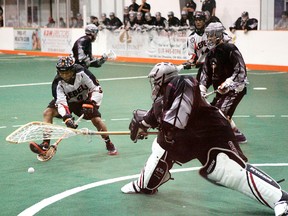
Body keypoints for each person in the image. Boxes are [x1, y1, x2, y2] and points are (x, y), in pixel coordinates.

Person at [120, 62, 288, 216]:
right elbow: (149, 119)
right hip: (193, 136)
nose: (154, 85)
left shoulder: (181, 82)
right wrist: (141, 125)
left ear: (163, 80)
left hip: (213, 132)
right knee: (161, 146)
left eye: (155, 81)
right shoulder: (163, 101)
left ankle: (282, 199)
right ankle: (145, 184)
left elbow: (175, 122)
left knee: (228, 172)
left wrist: (160, 127)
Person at [29, 56, 118, 156]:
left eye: (67, 72)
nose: (64, 75)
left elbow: (97, 88)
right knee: (47, 112)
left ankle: (108, 143)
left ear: (73, 70)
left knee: (96, 120)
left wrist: (91, 102)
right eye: (62, 73)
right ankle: (45, 144)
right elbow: (61, 102)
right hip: (68, 102)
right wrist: (66, 117)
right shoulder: (57, 82)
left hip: (85, 101)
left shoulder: (82, 73)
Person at [199, 22, 248, 144]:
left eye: (212, 35)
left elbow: (240, 70)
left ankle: (225, 138)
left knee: (218, 115)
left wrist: (228, 82)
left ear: (219, 35)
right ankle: (236, 134)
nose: (209, 38)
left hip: (235, 90)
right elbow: (206, 74)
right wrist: (202, 88)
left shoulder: (230, 49)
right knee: (212, 112)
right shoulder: (211, 53)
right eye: (208, 35)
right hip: (221, 91)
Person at [186, 11, 209, 80]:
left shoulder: (210, 33)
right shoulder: (191, 38)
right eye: (196, 20)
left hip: (215, 64)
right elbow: (193, 55)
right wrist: (190, 62)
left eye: (200, 20)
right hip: (203, 66)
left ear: (204, 21)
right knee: (198, 85)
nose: (198, 22)